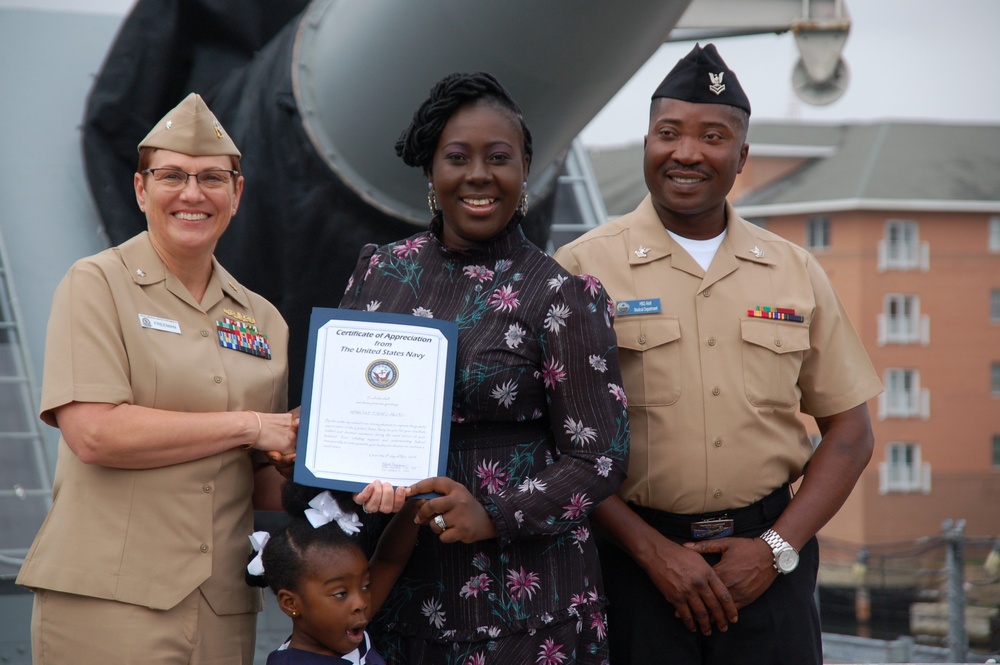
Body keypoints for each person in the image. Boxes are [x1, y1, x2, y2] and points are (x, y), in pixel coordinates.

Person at [553, 44, 883, 664]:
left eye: (712, 136)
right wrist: (654, 553)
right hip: (632, 566)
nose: (686, 152)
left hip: (769, 564)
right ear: (646, 144)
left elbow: (850, 432)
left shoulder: (794, 270)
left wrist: (775, 549)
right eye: (668, 133)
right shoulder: (581, 268)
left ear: (742, 157)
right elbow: (554, 440)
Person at [339, 71, 629, 664]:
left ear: (526, 171)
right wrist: (339, 464)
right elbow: (344, 406)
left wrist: (494, 515)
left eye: (499, 158)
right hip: (397, 587)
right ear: (431, 172)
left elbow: (600, 457)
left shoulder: (560, 295)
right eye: (457, 157)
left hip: (527, 603)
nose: (478, 175)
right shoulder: (380, 272)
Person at [16, 93, 299, 664]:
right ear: (142, 189)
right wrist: (251, 425)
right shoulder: (97, 283)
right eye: (173, 176)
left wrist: (332, 462)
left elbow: (264, 480)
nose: (193, 194)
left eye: (213, 178)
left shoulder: (263, 319)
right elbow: (95, 434)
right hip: (112, 604)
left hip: (221, 607)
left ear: (236, 195)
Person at [247, 482, 418, 665]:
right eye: (340, 594)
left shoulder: (343, 626)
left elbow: (388, 561)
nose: (361, 603)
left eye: (365, 586)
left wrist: (416, 506)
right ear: (290, 603)